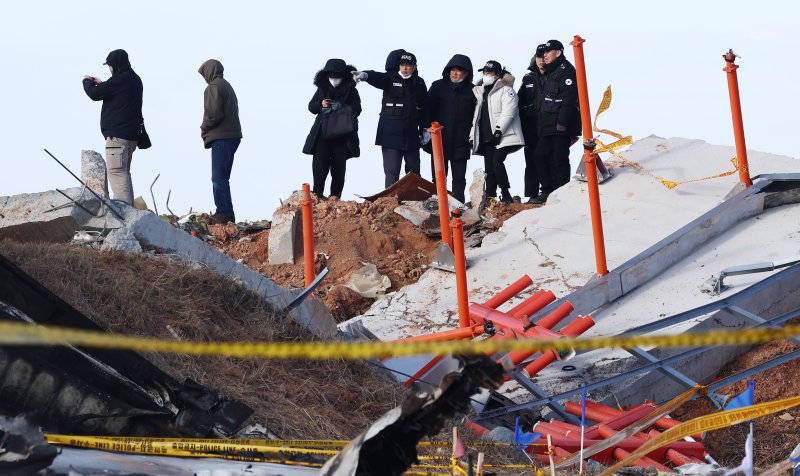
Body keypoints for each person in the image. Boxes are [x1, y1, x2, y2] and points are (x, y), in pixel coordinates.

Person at [353, 49, 429, 189]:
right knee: (392, 173)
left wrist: (425, 129)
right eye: (402, 65)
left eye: (408, 65)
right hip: (390, 137)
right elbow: (377, 77)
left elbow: (424, 108)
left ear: (414, 67)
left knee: (414, 173)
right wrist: (364, 75)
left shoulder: (419, 83)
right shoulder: (390, 79)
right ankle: (391, 203)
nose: (405, 68)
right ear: (398, 66)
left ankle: (413, 201)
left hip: (412, 137)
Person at [82, 49, 144, 206]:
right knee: (124, 172)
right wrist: (104, 84)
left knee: (116, 172)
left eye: (109, 65)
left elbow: (94, 94)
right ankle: (129, 208)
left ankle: (125, 209)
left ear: (114, 65)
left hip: (117, 137)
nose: (109, 69)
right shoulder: (134, 79)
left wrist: (87, 81)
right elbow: (116, 92)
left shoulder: (119, 80)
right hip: (131, 136)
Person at [302, 59, 361, 199]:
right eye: (331, 77)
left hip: (342, 135)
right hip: (322, 133)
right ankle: (317, 195)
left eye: (338, 77)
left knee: (339, 168)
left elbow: (357, 109)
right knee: (319, 165)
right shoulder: (322, 89)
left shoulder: (352, 90)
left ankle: (335, 197)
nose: (334, 80)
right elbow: (311, 107)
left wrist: (341, 107)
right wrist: (321, 104)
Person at [530, 40, 580, 204]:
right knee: (539, 156)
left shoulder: (566, 70)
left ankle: (562, 192)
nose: (545, 55)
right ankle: (547, 190)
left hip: (560, 125)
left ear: (558, 52)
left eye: (548, 52)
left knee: (559, 159)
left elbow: (569, 99)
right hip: (548, 125)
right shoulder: (551, 71)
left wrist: (563, 124)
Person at [468, 60, 524, 203]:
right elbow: (476, 117)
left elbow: (509, 112)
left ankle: (505, 192)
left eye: (489, 72)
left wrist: (499, 131)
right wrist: (472, 136)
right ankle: (491, 196)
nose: (486, 75)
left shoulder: (506, 90)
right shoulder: (480, 92)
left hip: (503, 136)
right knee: (489, 167)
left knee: (497, 162)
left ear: (498, 75)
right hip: (486, 136)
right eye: (484, 72)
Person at [425, 54, 476, 203]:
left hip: (461, 140)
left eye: (459, 70)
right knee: (438, 176)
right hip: (439, 139)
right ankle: (438, 204)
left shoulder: (473, 91)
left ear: (466, 73)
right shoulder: (438, 86)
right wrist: (427, 130)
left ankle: (458, 206)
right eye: (452, 69)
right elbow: (427, 109)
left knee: (459, 178)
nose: (454, 73)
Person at [198, 59, 242, 225]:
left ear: (209, 71)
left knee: (218, 178)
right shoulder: (226, 85)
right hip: (232, 136)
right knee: (223, 177)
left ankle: (224, 213)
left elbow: (213, 114)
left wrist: (204, 128)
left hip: (222, 137)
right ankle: (225, 212)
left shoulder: (213, 87)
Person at [519, 44, 547, 203]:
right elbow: (519, 101)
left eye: (544, 57)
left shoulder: (554, 76)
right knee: (530, 159)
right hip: (530, 126)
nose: (541, 61)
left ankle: (547, 191)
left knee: (544, 158)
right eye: (538, 57)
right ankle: (532, 194)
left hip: (547, 125)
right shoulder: (528, 78)